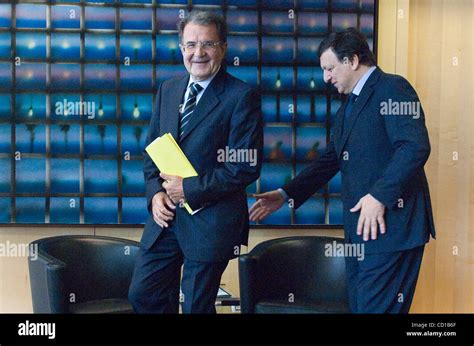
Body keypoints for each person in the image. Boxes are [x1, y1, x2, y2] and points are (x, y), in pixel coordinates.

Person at [249, 28, 435, 313]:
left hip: (393, 230)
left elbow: (414, 146)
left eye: (330, 68)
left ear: (352, 60)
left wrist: (379, 196)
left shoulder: (393, 88)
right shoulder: (349, 105)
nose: (326, 77)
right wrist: (286, 192)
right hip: (360, 235)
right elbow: (331, 159)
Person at [129, 11, 263, 314]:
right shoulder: (169, 89)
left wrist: (187, 189)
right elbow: (152, 150)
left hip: (211, 222)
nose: (198, 53)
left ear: (223, 48)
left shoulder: (242, 96)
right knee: (143, 294)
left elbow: (245, 165)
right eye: (190, 45)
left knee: (196, 308)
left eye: (208, 44)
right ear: (181, 49)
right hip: (166, 220)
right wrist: (156, 194)